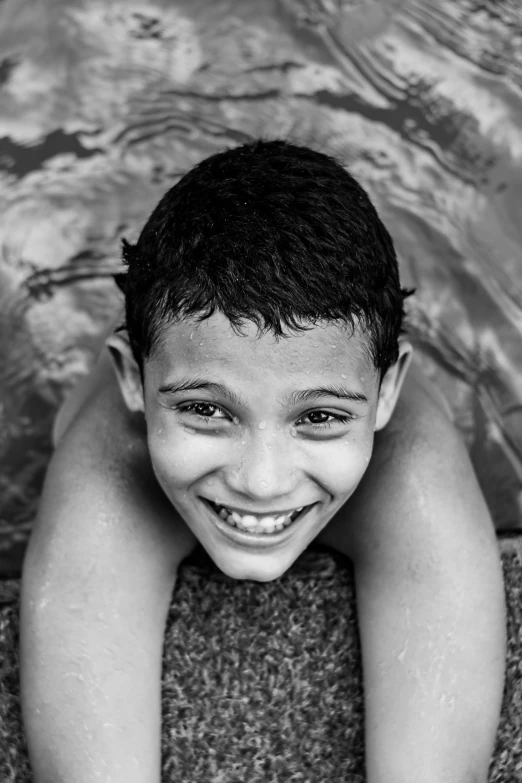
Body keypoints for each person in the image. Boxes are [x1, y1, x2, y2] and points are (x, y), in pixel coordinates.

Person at [19, 138, 506, 783]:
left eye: (321, 418)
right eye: (208, 411)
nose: (262, 481)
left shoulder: (413, 473)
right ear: (132, 380)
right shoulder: (106, 479)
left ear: (387, 392)